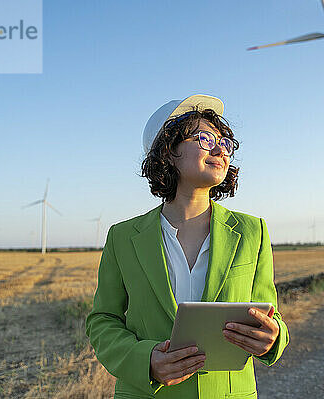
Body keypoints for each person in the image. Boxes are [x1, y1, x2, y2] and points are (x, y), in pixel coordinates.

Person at [86, 94, 289, 399]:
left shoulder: (252, 232)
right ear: (168, 152)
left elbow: (270, 316)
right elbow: (103, 320)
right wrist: (145, 360)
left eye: (225, 143)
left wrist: (273, 338)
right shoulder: (122, 237)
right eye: (206, 138)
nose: (221, 148)